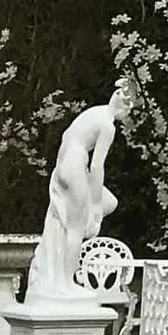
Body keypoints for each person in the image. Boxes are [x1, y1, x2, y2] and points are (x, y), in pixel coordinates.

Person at [25, 82, 130, 304]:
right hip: (75, 165)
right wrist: (94, 207)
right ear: (125, 107)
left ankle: (60, 274)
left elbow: (68, 136)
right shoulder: (108, 125)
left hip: (64, 164)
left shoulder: (95, 111)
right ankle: (66, 283)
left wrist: (96, 204)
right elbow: (97, 166)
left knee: (108, 202)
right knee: (76, 228)